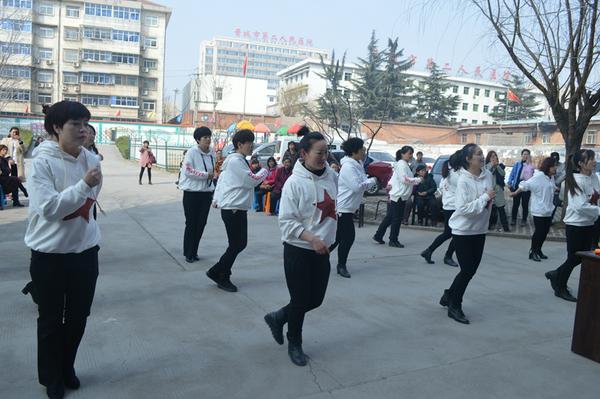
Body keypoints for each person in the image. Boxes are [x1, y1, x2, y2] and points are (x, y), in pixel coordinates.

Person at [24, 101, 102, 399]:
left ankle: (67, 366)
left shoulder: (90, 158)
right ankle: (51, 377)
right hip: (50, 257)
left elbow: (91, 202)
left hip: (85, 253)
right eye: (75, 125)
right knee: (51, 321)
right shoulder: (41, 162)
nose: (83, 131)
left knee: (79, 317)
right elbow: (49, 209)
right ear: (56, 127)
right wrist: (82, 186)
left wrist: (86, 188)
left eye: (85, 124)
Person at [263, 131, 337, 367]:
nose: (324, 157)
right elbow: (286, 221)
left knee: (315, 299)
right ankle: (294, 342)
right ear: (304, 153)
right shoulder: (294, 183)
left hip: (322, 250)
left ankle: (278, 317)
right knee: (300, 300)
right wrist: (312, 239)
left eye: (326, 152)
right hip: (299, 249)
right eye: (319, 152)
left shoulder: (331, 176)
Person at [440, 143, 494, 324]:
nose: (482, 156)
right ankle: (455, 305)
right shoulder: (463, 180)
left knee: (471, 270)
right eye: (478, 154)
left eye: (482, 153)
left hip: (480, 230)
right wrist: (486, 197)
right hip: (463, 231)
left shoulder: (488, 176)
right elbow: (463, 209)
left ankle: (449, 295)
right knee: (467, 269)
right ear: (468, 159)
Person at [208, 129, 268, 292]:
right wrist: (264, 170)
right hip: (234, 208)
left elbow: (223, 181)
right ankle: (220, 274)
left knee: (237, 244)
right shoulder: (236, 161)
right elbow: (251, 181)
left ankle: (219, 272)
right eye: (250, 143)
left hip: (234, 207)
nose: (252, 146)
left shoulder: (235, 160)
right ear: (240, 144)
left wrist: (216, 199)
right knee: (237, 244)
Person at [545, 149, 600, 302]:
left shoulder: (593, 177)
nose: (594, 161)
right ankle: (560, 286)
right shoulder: (575, 181)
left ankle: (556, 275)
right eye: (591, 159)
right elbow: (579, 206)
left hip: (589, 223)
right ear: (581, 164)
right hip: (576, 225)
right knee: (575, 257)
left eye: (594, 158)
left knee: (580, 257)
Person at [331, 138, 376, 278]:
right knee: (348, 238)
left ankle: (315, 258)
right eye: (362, 149)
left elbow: (362, 181)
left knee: (337, 239)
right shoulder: (349, 167)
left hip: (349, 208)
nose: (364, 151)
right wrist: (373, 180)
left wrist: (368, 180)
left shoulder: (358, 163)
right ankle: (341, 265)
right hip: (343, 209)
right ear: (354, 151)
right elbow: (357, 186)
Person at [179, 127, 216, 264]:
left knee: (201, 223)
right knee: (191, 223)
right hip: (191, 193)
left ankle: (194, 251)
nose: (208, 140)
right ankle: (188, 253)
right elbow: (188, 171)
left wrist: (212, 177)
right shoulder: (192, 152)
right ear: (197, 140)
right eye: (204, 137)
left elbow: (213, 169)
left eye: (209, 137)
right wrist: (206, 175)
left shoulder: (212, 152)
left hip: (206, 193)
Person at [373, 146, 422, 247]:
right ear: (402, 154)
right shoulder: (401, 165)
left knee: (390, 217)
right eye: (409, 153)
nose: (411, 156)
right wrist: (418, 180)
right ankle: (393, 239)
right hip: (399, 195)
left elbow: (395, 177)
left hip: (398, 194)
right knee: (396, 219)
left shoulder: (402, 165)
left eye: (412, 153)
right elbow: (405, 179)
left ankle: (378, 235)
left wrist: (390, 184)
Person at [510, 157, 557, 261]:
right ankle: (533, 251)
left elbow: (551, 188)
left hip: (548, 210)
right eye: (553, 166)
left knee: (545, 232)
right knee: (539, 232)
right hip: (539, 210)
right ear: (548, 167)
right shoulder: (538, 177)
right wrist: (515, 193)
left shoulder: (550, 178)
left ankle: (539, 250)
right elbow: (525, 185)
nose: (555, 168)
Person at [420, 154, 460, 267]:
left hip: (448, 206)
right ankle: (447, 256)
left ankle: (429, 251)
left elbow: (441, 189)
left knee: (449, 233)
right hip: (454, 207)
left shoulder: (447, 174)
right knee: (456, 234)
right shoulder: (456, 175)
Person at [507, 149, 534, 226]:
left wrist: (529, 165)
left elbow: (533, 176)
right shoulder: (517, 164)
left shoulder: (531, 165)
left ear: (529, 156)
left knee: (525, 204)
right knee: (515, 204)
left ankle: (524, 220)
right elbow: (512, 174)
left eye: (527, 154)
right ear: (521, 155)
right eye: (524, 154)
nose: (526, 156)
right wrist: (509, 182)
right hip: (517, 185)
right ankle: (513, 219)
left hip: (526, 187)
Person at [485, 150, 510, 232]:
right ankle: (488, 225)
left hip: (498, 190)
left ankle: (505, 227)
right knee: (489, 209)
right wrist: (492, 165)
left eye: (495, 155)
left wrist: (497, 166)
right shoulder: (486, 166)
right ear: (489, 157)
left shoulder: (499, 166)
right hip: (489, 190)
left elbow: (503, 174)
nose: (494, 157)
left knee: (501, 209)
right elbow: (487, 173)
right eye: (492, 156)